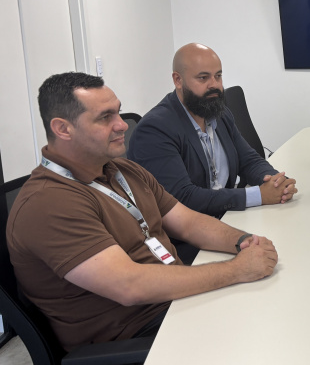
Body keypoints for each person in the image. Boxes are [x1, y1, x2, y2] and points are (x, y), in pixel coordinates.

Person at [6, 72, 279, 352]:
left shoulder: (122, 170)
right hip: (137, 336)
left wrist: (244, 242)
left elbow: (187, 223)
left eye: (119, 112)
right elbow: (129, 286)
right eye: (105, 117)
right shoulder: (48, 203)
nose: (122, 125)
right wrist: (235, 270)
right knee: (264, 338)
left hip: (174, 301)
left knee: (275, 305)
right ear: (63, 129)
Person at [127, 43, 297, 261]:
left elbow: (248, 159)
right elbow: (184, 198)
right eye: (203, 78)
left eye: (218, 76)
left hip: (228, 219)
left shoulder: (219, 113)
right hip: (185, 243)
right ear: (178, 80)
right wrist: (258, 196)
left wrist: (275, 182)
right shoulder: (155, 129)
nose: (214, 85)